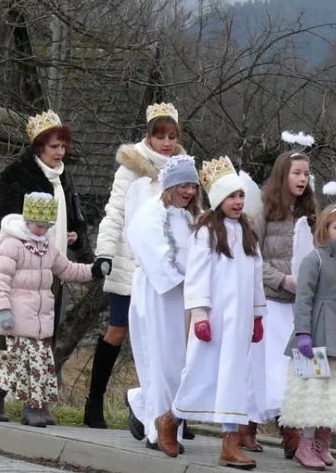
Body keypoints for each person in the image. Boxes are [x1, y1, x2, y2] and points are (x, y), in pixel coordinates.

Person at [86, 102, 186, 429]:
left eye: (172, 136)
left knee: (166, 340)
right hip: (131, 263)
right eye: (161, 136)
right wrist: (104, 253)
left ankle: (170, 413)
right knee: (118, 330)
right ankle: (94, 402)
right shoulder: (131, 167)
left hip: (165, 268)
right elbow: (115, 211)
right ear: (150, 136)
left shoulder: (181, 168)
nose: (167, 143)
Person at [169, 157, 265, 469]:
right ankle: (169, 420)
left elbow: (255, 275)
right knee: (200, 375)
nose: (238, 202)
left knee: (234, 381)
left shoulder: (248, 232)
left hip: (239, 324)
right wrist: (199, 315)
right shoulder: (206, 232)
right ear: (219, 200)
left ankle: (230, 444)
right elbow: (197, 275)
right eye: (231, 197)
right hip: (214, 321)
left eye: (240, 196)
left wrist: (257, 315)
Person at [0, 192, 109, 427]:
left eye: (46, 226)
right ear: (27, 220)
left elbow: (68, 269)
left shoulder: (47, 248)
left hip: (40, 320)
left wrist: (94, 270)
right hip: (16, 318)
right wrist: (3, 310)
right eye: (38, 225)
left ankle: (34, 408)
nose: (42, 230)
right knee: (11, 363)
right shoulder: (12, 246)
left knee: (39, 366)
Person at [280, 190, 336, 471]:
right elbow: (304, 299)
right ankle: (305, 444)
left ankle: (322, 440)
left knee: (333, 391)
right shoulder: (314, 260)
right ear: (325, 229)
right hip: (318, 335)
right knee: (315, 392)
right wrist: (303, 333)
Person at [123, 154, 200, 451]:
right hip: (157, 294)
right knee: (159, 360)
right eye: (183, 185)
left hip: (183, 296)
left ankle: (144, 405)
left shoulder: (189, 215)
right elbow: (155, 254)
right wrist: (180, 276)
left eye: (192, 186)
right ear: (170, 185)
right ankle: (157, 431)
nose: (189, 191)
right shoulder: (150, 214)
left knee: (177, 363)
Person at [246, 138, 317, 457]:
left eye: (306, 174)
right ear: (282, 175)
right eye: (296, 173)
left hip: (298, 307)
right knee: (268, 369)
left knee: (297, 368)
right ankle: (252, 427)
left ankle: (295, 431)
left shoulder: (309, 213)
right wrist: (283, 279)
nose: (302, 179)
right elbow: (250, 258)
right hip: (270, 302)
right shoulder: (263, 208)